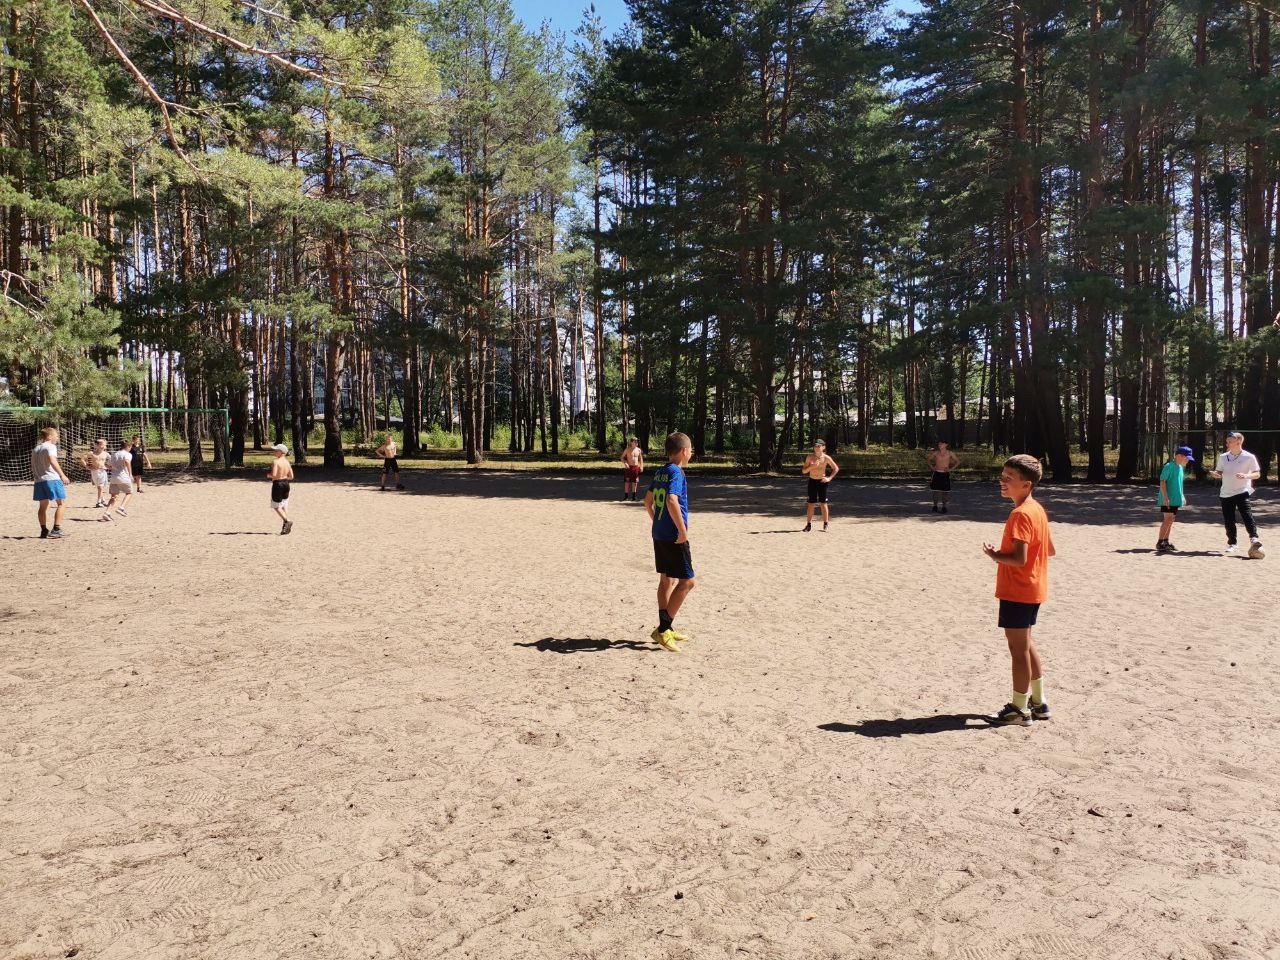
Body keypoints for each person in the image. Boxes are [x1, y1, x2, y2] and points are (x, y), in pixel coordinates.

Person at [982, 454, 1056, 726]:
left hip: (1018, 590)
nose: (1002, 482)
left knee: (1018, 651)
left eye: (1009, 478)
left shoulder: (1021, 514)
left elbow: (1019, 559)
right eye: (1002, 476)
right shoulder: (1037, 509)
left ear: (1026, 484)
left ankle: (1019, 708)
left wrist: (995, 555)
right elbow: (1049, 550)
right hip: (1033, 588)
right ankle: (1039, 702)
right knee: (1026, 644)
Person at [645, 432, 695, 652]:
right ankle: (663, 629)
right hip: (674, 536)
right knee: (688, 582)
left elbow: (647, 501)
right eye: (691, 449)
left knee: (667, 580)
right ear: (684, 451)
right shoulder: (676, 472)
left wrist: (657, 520)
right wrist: (682, 531)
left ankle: (666, 627)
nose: (691, 453)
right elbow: (671, 499)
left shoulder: (661, 471)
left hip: (659, 533)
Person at [1210, 431, 1263, 557]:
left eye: (1229, 441)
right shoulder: (1223, 457)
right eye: (1227, 441)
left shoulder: (1249, 457)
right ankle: (1232, 544)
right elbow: (1219, 471)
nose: (1227, 443)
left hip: (1242, 491)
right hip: (1225, 493)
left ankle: (1254, 538)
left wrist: (1246, 475)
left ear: (1238, 442)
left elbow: (1257, 474)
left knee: (1247, 515)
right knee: (1229, 519)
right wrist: (1216, 474)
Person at [31, 427, 71, 540]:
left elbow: (32, 465)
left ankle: (43, 530)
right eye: (56, 436)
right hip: (52, 479)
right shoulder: (50, 446)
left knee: (43, 506)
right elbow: (52, 460)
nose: (57, 438)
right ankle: (56, 529)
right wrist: (62, 475)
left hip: (39, 481)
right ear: (49, 436)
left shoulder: (36, 448)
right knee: (62, 503)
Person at [1156, 446, 1194, 554]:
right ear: (1179, 456)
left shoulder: (1180, 468)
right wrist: (1165, 497)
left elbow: (1179, 484)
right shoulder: (1169, 466)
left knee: (1171, 520)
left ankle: (1165, 542)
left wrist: (1182, 495)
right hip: (1168, 498)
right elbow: (1162, 481)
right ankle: (1160, 542)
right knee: (1167, 520)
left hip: (1176, 498)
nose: (1187, 461)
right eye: (1186, 458)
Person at [801, 439, 839, 532]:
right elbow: (804, 471)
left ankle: (826, 524)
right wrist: (812, 467)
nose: (817, 448)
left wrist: (829, 478)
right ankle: (808, 525)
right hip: (812, 481)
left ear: (823, 447)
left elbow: (836, 468)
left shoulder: (826, 458)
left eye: (819, 446)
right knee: (811, 503)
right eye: (815, 446)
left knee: (823, 503)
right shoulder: (810, 457)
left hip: (822, 482)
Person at [100, 439, 134, 521]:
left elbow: (106, 464)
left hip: (114, 478)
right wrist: (130, 474)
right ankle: (121, 508)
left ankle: (107, 513)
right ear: (128, 446)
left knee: (114, 496)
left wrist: (113, 468)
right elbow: (127, 462)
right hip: (124, 477)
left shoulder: (115, 454)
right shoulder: (127, 454)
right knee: (129, 493)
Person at [267, 443, 294, 535]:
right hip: (286, 483)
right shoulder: (287, 462)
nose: (274, 451)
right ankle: (285, 526)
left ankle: (287, 521)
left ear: (281, 452)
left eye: (276, 450)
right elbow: (291, 477)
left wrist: (268, 475)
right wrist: (283, 477)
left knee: (276, 506)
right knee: (284, 505)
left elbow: (274, 475)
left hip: (278, 484)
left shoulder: (276, 462)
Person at [927, 440, 960, 513]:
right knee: (935, 491)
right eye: (939, 444)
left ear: (946, 445)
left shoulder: (950, 453)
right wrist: (932, 467)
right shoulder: (936, 453)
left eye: (941, 444)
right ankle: (935, 506)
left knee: (945, 492)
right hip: (937, 473)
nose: (939, 445)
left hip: (945, 474)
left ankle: (944, 507)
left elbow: (958, 462)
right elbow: (928, 460)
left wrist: (950, 469)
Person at [81, 438, 110, 508]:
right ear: (97, 445)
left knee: (100, 486)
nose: (104, 446)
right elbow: (82, 459)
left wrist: (109, 466)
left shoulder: (106, 454)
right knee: (99, 487)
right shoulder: (91, 453)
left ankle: (99, 502)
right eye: (102, 445)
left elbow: (112, 460)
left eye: (105, 445)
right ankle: (102, 500)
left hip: (102, 471)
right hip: (94, 471)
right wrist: (86, 466)